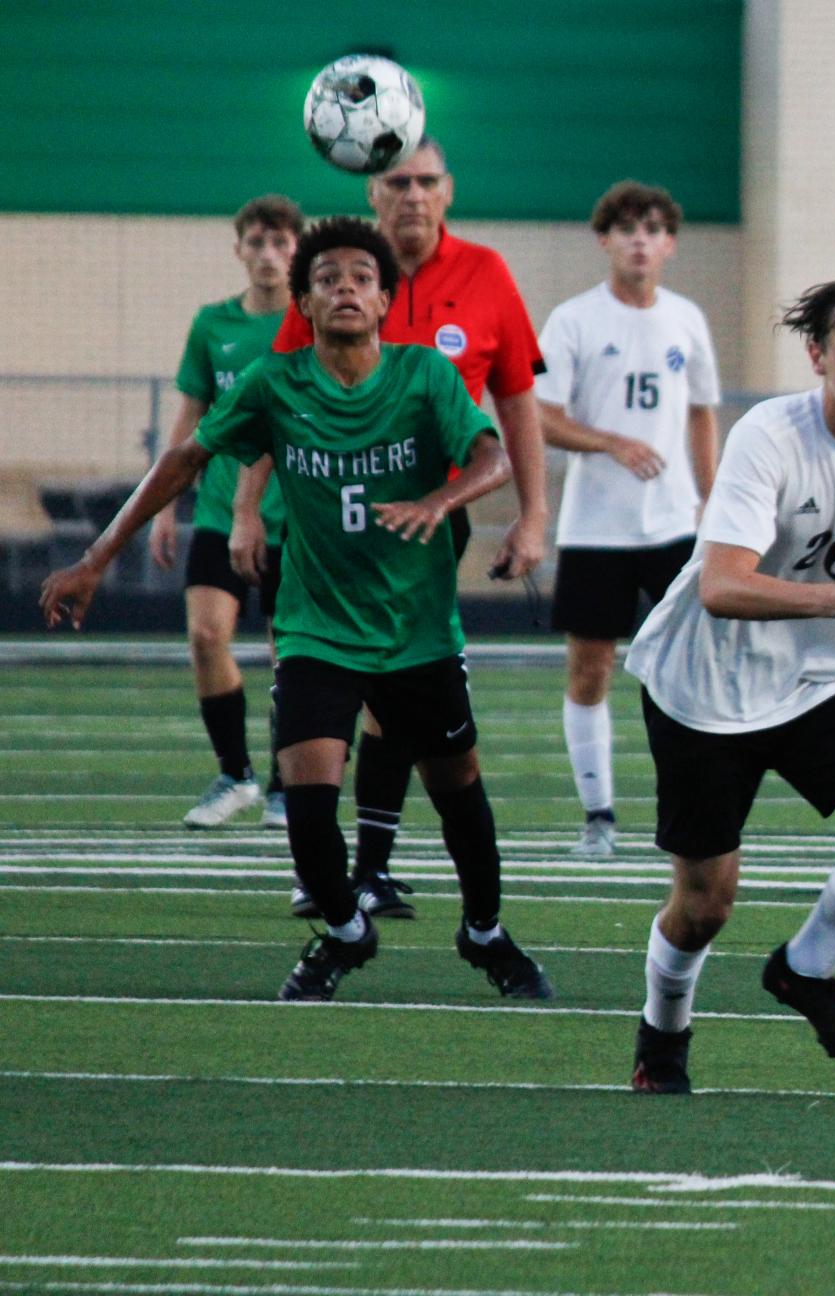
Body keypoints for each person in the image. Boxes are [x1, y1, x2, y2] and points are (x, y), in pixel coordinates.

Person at [42, 217, 554, 1005]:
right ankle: (347, 933)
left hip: (418, 631)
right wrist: (96, 557)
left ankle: (484, 932)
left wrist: (438, 499)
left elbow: (492, 456)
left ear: (386, 298)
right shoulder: (277, 384)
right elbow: (185, 460)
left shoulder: (424, 375)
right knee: (308, 809)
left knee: (460, 794)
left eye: (360, 276)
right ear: (306, 304)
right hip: (316, 629)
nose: (344, 286)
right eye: (327, 278)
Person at [624, 278, 835, 1094]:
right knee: (704, 904)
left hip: (819, 681)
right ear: (817, 355)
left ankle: (806, 969)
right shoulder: (769, 434)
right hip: (707, 688)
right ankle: (663, 1034)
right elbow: (723, 585)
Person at [259, 136, 549, 921]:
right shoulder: (338, 276)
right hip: (325, 529)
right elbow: (273, 398)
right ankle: (338, 867)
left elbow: (516, 400)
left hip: (428, 529)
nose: (413, 195)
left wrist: (532, 513)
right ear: (373, 192)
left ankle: (372, 870)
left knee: (400, 706)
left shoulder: (487, 273)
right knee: (332, 697)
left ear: (447, 192)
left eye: (426, 181)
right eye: (398, 182)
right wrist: (252, 510)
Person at [535, 180, 720, 856]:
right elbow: (540, 414)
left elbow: (701, 410)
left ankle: (695, 808)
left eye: (652, 229)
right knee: (590, 669)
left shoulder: (686, 319)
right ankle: (599, 816)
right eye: (626, 228)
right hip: (596, 527)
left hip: (673, 525)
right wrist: (611, 441)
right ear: (604, 240)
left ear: (669, 243)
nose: (639, 240)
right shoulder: (574, 320)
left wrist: (711, 500)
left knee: (692, 666)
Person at [144, 194, 303, 830]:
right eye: (256, 243)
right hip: (217, 510)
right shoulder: (213, 324)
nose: (268, 255)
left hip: (294, 515)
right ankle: (236, 775)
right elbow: (188, 420)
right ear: (238, 249)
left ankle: (290, 784)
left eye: (280, 243)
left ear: (297, 249)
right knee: (207, 636)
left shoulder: (310, 324)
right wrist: (161, 508)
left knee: (289, 655)